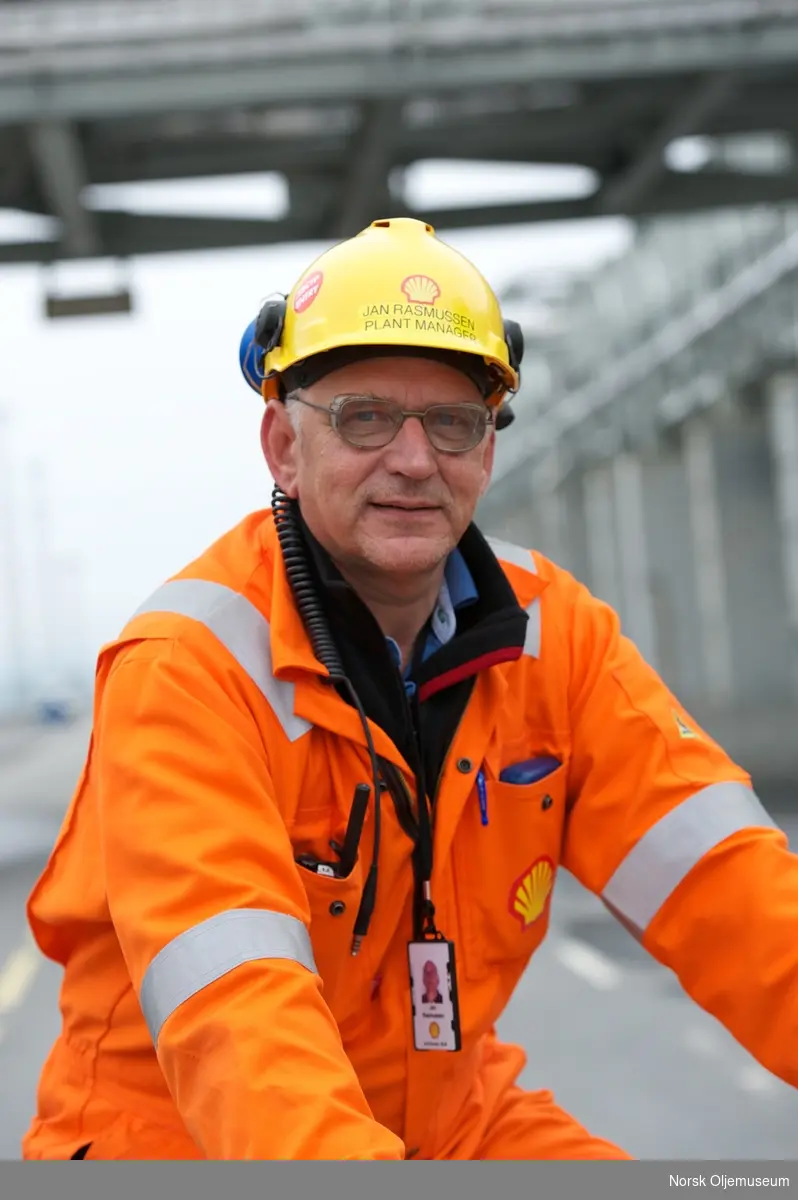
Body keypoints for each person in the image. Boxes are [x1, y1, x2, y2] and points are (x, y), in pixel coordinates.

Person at [21, 216, 798, 1162]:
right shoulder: (189, 670)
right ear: (282, 446)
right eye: (365, 417)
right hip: (189, 1147)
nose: (414, 459)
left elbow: (740, 896)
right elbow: (241, 1029)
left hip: (448, 1125)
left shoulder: (559, 641)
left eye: (453, 422)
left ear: (487, 453)